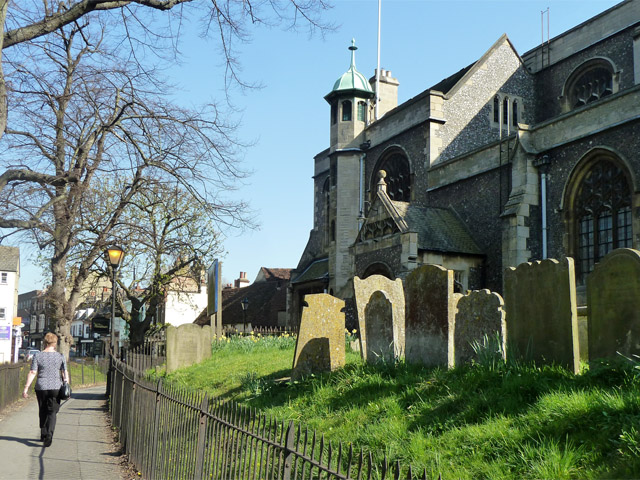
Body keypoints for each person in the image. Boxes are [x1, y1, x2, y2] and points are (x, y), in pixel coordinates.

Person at [22, 332, 69, 447]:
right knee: (52, 411)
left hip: (41, 386)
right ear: (55, 343)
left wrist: (26, 388)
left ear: (45, 342)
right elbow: (64, 372)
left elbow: (33, 372)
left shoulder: (38, 356)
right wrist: (66, 384)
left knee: (42, 409)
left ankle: (43, 433)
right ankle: (49, 434)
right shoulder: (60, 356)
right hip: (55, 387)